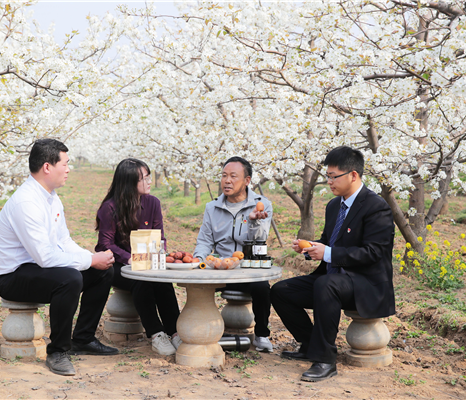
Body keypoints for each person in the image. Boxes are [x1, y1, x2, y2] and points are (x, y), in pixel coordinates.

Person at [0, 139, 119, 377]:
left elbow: (64, 242)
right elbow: (45, 258)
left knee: (103, 271)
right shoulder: (26, 202)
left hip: (36, 268)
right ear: (47, 167)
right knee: (70, 278)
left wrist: (93, 258)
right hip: (13, 276)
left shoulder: (51, 197)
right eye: (65, 163)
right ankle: (58, 351)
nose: (69, 169)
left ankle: (83, 338)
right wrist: (90, 260)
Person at [270, 146, 396, 382]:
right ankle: (309, 344)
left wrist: (327, 253)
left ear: (353, 175)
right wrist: (310, 247)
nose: (328, 181)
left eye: (333, 176)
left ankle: (325, 360)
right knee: (280, 291)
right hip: (333, 279)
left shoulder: (376, 206)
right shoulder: (334, 205)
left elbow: (374, 252)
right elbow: (330, 243)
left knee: (326, 284)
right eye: (327, 176)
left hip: (365, 283)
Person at [95, 158, 181, 355]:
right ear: (129, 182)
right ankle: (156, 333)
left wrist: (159, 254)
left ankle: (175, 332)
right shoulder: (109, 208)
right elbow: (105, 245)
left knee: (161, 280)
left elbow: (160, 236)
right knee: (141, 280)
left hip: (147, 261)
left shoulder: (153, 203)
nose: (150, 181)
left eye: (149, 176)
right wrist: (129, 259)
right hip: (118, 264)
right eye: (144, 178)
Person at [193, 156, 274, 352]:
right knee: (195, 284)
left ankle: (262, 334)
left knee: (262, 286)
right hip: (220, 268)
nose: (227, 181)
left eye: (233, 176)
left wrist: (254, 221)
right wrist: (199, 259)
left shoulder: (262, 205)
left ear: (247, 181)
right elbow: (205, 240)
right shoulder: (212, 208)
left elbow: (260, 241)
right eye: (224, 176)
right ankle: (199, 329)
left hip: (247, 268)